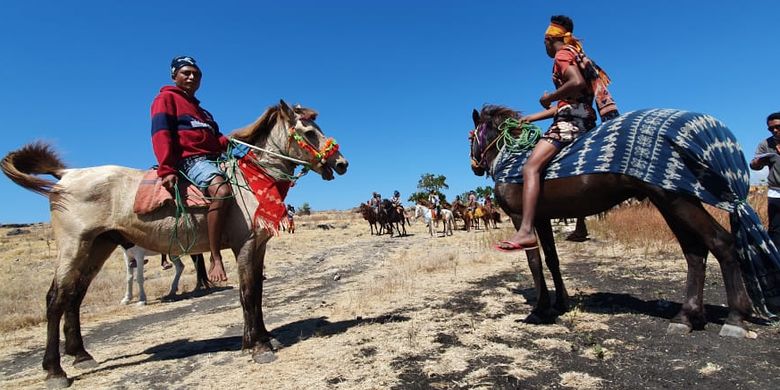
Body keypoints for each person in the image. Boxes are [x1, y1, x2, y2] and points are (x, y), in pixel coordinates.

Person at [497, 15, 601, 251]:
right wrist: (532, 117)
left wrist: (548, 97)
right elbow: (571, 101)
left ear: (549, 40)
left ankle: (525, 231)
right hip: (585, 121)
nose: (543, 46)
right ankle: (580, 224)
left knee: (530, 168)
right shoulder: (577, 54)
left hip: (569, 124)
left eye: (543, 42)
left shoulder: (562, 54)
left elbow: (573, 83)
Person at [151, 55, 231, 282]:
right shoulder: (165, 99)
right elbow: (161, 134)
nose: (192, 77)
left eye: (196, 74)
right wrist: (166, 169)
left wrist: (238, 143)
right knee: (222, 191)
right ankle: (216, 258)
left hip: (213, 159)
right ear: (174, 75)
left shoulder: (203, 113)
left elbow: (218, 141)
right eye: (186, 72)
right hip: (190, 160)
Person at [750, 112, 780, 249]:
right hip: (775, 192)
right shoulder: (765, 144)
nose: (774, 130)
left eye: (778, 127)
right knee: (775, 229)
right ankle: (775, 265)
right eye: (771, 128)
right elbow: (754, 165)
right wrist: (757, 163)